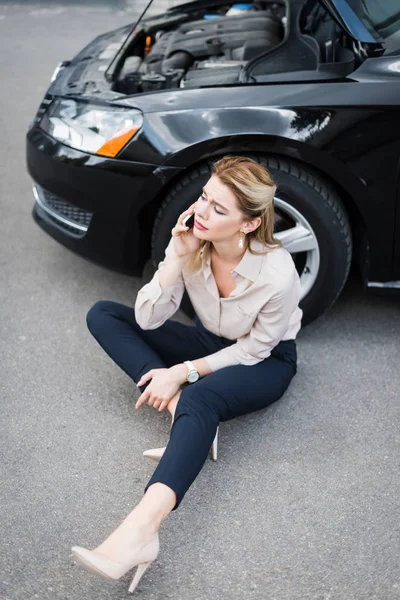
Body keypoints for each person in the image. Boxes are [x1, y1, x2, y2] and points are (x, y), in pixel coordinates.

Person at [71, 156, 303, 594]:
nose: (201, 212)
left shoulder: (277, 272)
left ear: (249, 224)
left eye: (219, 209)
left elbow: (255, 348)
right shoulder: (192, 243)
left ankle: (140, 532)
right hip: (209, 340)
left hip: (266, 359)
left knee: (201, 396)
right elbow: (148, 318)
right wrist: (175, 258)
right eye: (203, 198)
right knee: (104, 314)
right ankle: (188, 419)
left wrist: (181, 372)